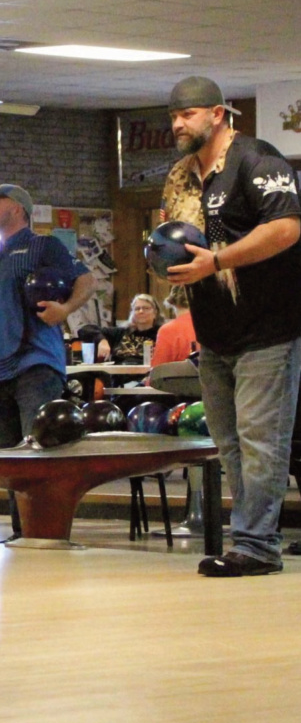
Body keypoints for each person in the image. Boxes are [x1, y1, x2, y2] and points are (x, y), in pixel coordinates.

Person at [161, 75, 301, 577]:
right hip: (215, 331)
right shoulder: (182, 176)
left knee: (262, 440)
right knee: (231, 443)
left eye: (189, 114)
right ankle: (253, 537)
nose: (178, 123)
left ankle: (256, 545)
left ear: (217, 115)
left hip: (268, 329)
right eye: (174, 116)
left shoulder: (256, 159)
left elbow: (286, 228)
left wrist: (216, 261)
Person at [0, 183, 95, 540]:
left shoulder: (44, 246)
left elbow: (84, 280)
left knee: (38, 450)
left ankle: (47, 531)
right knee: (10, 458)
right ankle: (23, 533)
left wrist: (66, 309)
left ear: (20, 209)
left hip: (34, 365)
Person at [95, 293, 163, 364]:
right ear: (132, 313)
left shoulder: (162, 334)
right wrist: (102, 341)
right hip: (118, 373)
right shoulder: (121, 332)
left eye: (146, 308)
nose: (141, 311)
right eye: (137, 309)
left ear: (155, 312)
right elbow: (86, 329)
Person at [149, 284, 198, 368]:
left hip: (180, 379)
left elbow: (158, 371)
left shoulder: (168, 330)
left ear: (172, 301)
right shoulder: (215, 325)